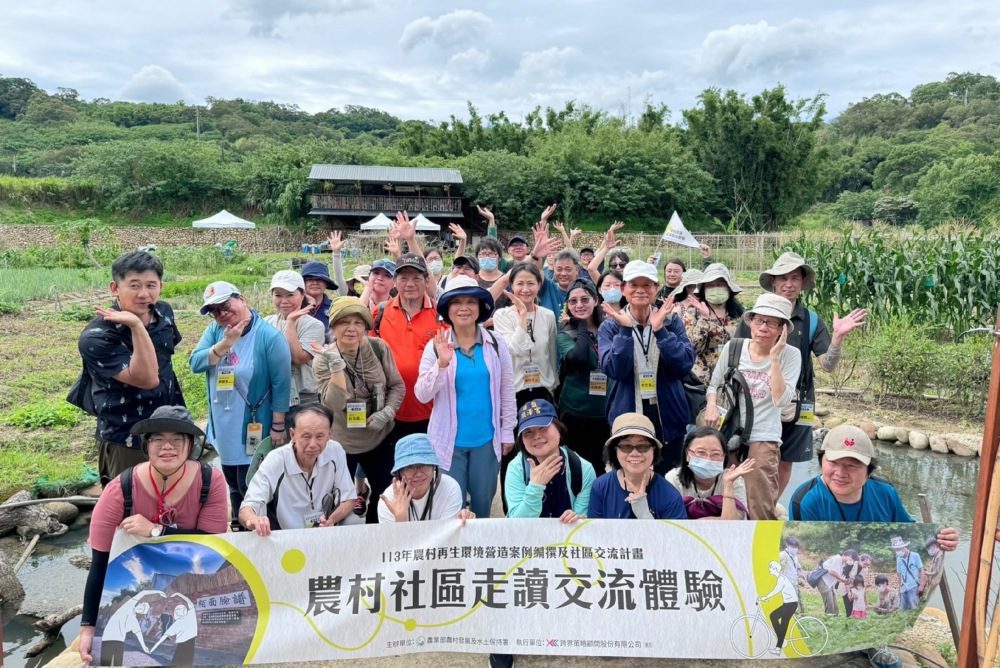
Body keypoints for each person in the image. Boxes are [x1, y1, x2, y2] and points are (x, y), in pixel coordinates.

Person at [79, 406, 228, 665]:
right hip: (141, 575)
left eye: (176, 439)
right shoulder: (120, 491)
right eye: (158, 439)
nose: (166, 447)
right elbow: (100, 563)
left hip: (195, 579)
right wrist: (87, 627)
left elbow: (211, 545)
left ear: (190, 444)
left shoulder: (209, 481)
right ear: (146, 445)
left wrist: (157, 530)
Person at [736, 251, 867, 495]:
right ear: (773, 282)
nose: (789, 284)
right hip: (757, 398)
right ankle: (746, 504)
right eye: (783, 278)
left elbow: (827, 365)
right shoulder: (754, 317)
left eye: (795, 278)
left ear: (802, 283)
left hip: (798, 401)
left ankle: (771, 505)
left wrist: (837, 339)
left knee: (786, 459)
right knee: (748, 454)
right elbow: (736, 357)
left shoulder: (811, 320)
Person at [77, 251, 185, 485]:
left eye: (151, 285)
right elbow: (148, 379)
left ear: (161, 286)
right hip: (127, 437)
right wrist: (136, 326)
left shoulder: (163, 312)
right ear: (115, 288)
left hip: (170, 427)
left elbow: (165, 357)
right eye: (134, 285)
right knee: (129, 508)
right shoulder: (97, 337)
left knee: (174, 503)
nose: (144, 294)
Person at [415, 276, 516, 519]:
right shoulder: (435, 346)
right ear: (447, 309)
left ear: (480, 307)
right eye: (457, 302)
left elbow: (507, 391)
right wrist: (441, 364)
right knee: (452, 508)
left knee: (482, 505)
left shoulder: (495, 343)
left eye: (471, 301)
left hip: (486, 441)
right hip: (449, 444)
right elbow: (421, 394)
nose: (464, 308)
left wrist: (507, 431)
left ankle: (478, 552)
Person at [190, 281, 290, 523]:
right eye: (214, 311)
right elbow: (196, 363)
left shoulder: (269, 337)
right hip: (224, 427)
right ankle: (240, 531)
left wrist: (278, 425)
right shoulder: (216, 331)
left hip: (254, 425)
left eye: (225, 305)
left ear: (242, 299)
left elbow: (281, 384)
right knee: (232, 484)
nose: (221, 314)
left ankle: (265, 537)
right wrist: (225, 343)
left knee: (254, 488)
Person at [703, 293, 801, 520]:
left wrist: (774, 358)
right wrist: (711, 406)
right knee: (725, 499)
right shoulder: (734, 348)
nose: (763, 327)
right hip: (728, 433)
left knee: (760, 504)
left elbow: (782, 400)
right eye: (759, 320)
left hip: (763, 437)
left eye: (772, 323)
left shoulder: (790, 355)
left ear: (782, 329)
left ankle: (762, 552)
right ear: (751, 322)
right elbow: (713, 386)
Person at [788, 425, 960, 553]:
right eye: (833, 462)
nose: (840, 473)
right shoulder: (804, 500)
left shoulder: (885, 493)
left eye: (852, 466)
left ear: (868, 471)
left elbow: (910, 534)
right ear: (820, 460)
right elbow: (803, 552)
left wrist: (941, 538)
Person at [312, 296, 405, 524]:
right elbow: (331, 404)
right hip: (343, 443)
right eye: (344, 322)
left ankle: (377, 539)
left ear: (365, 326)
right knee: (336, 499)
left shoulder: (378, 347)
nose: (351, 329)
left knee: (385, 496)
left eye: (358, 322)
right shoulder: (323, 359)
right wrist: (336, 365)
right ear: (333, 326)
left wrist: (387, 413)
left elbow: (397, 385)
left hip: (380, 437)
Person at [599, 260, 695, 473]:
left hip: (667, 412)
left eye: (647, 285)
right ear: (623, 289)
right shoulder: (611, 326)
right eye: (634, 285)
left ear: (656, 288)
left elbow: (684, 365)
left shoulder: (671, 321)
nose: (640, 290)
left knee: (667, 474)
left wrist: (660, 331)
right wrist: (625, 332)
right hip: (628, 410)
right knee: (629, 474)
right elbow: (615, 370)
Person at [239, 404, 357, 533]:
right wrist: (253, 520)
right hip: (284, 534)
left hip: (324, 528)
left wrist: (331, 520)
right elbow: (248, 506)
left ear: (329, 434)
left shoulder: (335, 451)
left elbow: (349, 498)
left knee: (354, 519)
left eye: (320, 436)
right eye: (306, 436)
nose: (313, 444)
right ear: (293, 434)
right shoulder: (276, 459)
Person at [370, 253, 447, 442]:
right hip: (390, 410)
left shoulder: (442, 316)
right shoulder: (380, 312)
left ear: (427, 280)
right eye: (403, 278)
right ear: (395, 281)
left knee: (427, 469)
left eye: (416, 278)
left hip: (431, 411)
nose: (410, 284)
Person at [505, 399, 595, 520]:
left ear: (559, 428)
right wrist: (535, 486)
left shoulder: (583, 468)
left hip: (567, 537)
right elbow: (517, 523)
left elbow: (583, 521)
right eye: (528, 432)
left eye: (543, 427)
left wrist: (577, 518)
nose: (537, 436)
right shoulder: (516, 468)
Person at [588, 413, 687, 520]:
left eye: (643, 446)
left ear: (653, 450)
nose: (634, 453)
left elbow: (673, 536)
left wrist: (644, 513)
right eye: (626, 446)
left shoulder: (670, 496)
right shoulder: (601, 487)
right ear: (614, 451)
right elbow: (595, 533)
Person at [556, 279, 609, 473]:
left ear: (596, 300)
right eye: (573, 301)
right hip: (575, 412)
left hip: (605, 411)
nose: (579, 305)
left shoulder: (609, 328)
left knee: (602, 466)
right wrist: (581, 327)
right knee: (578, 468)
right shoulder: (566, 333)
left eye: (585, 299)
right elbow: (578, 357)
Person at [378, 433, 475, 523]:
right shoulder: (389, 499)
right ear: (400, 472)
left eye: (425, 464)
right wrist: (400, 518)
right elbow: (394, 541)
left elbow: (447, 538)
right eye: (410, 467)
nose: (419, 473)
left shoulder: (450, 488)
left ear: (434, 466)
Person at [264, 270, 325, 406]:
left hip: (305, 397)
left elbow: (297, 358)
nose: (284, 301)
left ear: (302, 295)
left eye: (290, 295)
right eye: (278, 295)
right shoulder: (267, 323)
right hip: (273, 394)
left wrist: (290, 323)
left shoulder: (314, 325)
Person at [665, 426, 753, 519]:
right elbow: (670, 521)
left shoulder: (734, 479)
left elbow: (734, 525)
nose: (708, 459)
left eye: (715, 454)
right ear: (687, 454)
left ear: (724, 457)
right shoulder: (673, 479)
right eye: (701, 452)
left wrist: (728, 485)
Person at [681, 263, 744, 386]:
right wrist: (704, 319)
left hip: (731, 379)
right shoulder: (693, 313)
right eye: (710, 285)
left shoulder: (738, 314)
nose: (716, 288)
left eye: (720, 284)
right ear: (704, 289)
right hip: (702, 381)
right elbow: (692, 349)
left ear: (728, 287)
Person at [759, 560, 799, 655]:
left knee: (777, 619)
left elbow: (777, 590)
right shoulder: (781, 578)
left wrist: (766, 597)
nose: (769, 570)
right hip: (789, 604)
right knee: (778, 619)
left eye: (770, 568)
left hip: (791, 604)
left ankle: (779, 645)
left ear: (775, 569)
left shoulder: (782, 579)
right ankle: (780, 642)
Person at [149, 597, 197, 665]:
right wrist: (153, 649)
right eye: (178, 610)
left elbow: (190, 603)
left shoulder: (190, 616)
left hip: (189, 644)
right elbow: (162, 639)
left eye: (182, 609)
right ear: (176, 612)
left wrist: (179, 594)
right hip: (182, 646)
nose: (181, 611)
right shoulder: (176, 624)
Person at [816, 548, 859, 615]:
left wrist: (845, 581)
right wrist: (842, 579)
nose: (851, 562)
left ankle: (834, 619)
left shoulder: (842, 564)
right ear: (848, 556)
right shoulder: (837, 558)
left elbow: (838, 577)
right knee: (830, 605)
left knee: (835, 607)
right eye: (851, 559)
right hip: (823, 582)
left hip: (829, 584)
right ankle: (829, 622)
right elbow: (831, 571)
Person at [300, 260, 340, 329]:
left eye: (320, 279)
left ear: (326, 283)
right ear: (303, 283)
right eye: (310, 279)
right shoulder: (294, 306)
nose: (315, 282)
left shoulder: (335, 307)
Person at [891, 536, 924, 610]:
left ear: (904, 547)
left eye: (898, 549)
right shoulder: (899, 559)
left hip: (914, 586)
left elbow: (921, 570)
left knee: (914, 609)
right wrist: (899, 588)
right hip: (904, 587)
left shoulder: (915, 556)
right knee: (903, 610)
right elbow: (899, 574)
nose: (897, 551)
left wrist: (921, 585)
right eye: (896, 550)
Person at [779, 536, 804, 611]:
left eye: (796, 547)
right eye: (792, 546)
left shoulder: (795, 556)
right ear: (787, 545)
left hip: (795, 583)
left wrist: (800, 578)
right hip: (787, 585)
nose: (795, 548)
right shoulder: (782, 555)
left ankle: (801, 617)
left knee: (800, 603)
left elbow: (798, 568)